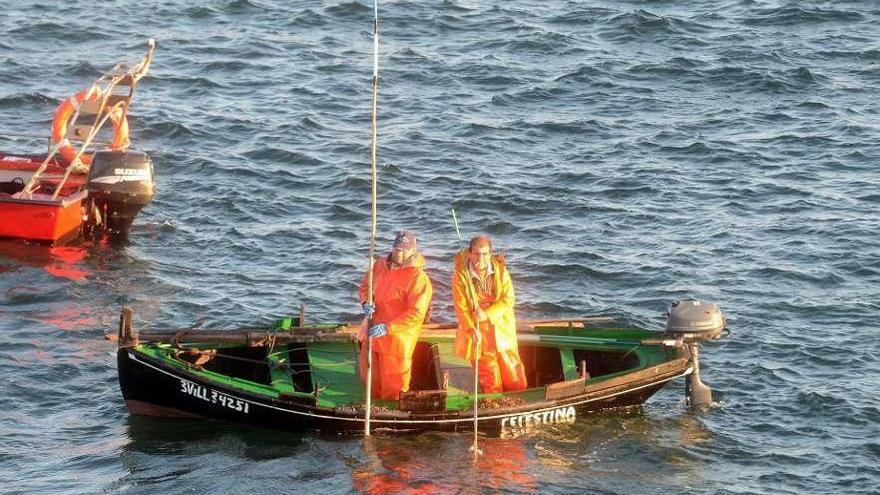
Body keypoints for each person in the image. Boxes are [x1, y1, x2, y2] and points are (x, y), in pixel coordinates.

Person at [359, 230, 433, 400]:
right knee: (370, 380)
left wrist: (388, 327)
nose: (399, 253)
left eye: (404, 250)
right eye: (397, 249)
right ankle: (372, 410)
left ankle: (390, 418)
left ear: (413, 251)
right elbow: (364, 287)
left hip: (397, 342)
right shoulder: (379, 266)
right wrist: (365, 303)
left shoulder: (419, 278)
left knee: (394, 389)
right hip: (372, 334)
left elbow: (416, 313)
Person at [452, 235, 527, 393]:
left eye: (485, 254)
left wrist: (486, 314)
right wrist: (472, 329)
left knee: (514, 374)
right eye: (477, 254)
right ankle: (495, 405)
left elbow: (508, 300)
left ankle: (519, 400)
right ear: (470, 253)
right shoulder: (460, 275)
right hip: (479, 332)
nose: (481, 259)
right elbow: (461, 308)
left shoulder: (500, 270)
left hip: (502, 329)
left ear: (490, 254)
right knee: (490, 379)